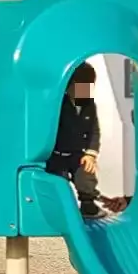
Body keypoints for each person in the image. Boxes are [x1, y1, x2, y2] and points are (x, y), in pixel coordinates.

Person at [46, 63, 103, 218]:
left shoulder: (90, 105)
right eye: (80, 86)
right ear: (69, 86)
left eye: (89, 86)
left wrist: (91, 154)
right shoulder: (58, 104)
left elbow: (94, 131)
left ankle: (88, 203)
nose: (85, 90)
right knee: (59, 183)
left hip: (78, 154)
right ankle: (61, 209)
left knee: (86, 173)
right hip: (57, 155)